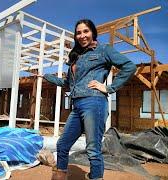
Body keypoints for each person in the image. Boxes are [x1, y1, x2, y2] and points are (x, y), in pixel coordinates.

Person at [40, 19, 137, 180]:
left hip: (94, 103)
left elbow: (129, 66)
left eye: (86, 31)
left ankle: (96, 176)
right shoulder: (76, 56)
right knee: (62, 145)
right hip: (77, 105)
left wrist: (108, 88)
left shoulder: (103, 50)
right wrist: (46, 76)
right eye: (79, 32)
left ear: (93, 33)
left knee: (92, 149)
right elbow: (68, 83)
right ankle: (59, 177)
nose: (82, 35)